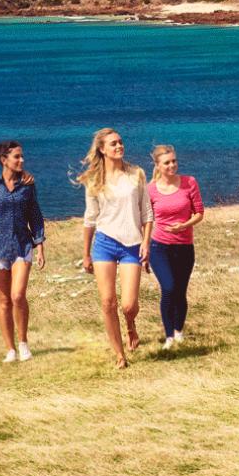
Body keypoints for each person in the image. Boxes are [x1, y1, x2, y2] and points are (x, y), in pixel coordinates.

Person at [77, 128, 153, 368]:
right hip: (105, 244)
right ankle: (120, 355)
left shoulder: (136, 174)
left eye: (120, 142)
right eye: (113, 143)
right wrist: (86, 253)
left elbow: (147, 213)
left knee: (129, 304)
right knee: (107, 302)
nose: (119, 146)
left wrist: (146, 243)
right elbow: (90, 219)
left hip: (132, 244)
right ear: (102, 149)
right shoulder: (93, 180)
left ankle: (130, 325)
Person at [0, 140, 46, 363]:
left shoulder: (28, 184)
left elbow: (35, 215)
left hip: (22, 245)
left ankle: (23, 342)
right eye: (17, 157)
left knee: (18, 295)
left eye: (22, 156)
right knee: (4, 301)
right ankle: (9, 349)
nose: (22, 160)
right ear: (3, 160)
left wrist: (40, 245)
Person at [147, 145, 203, 350]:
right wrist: (144, 248)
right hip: (159, 246)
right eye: (167, 162)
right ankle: (168, 335)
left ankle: (179, 331)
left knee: (180, 291)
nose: (172, 165)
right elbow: (146, 220)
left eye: (174, 161)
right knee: (168, 288)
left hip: (185, 246)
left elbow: (199, 212)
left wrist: (184, 225)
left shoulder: (190, 182)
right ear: (158, 166)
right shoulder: (150, 189)